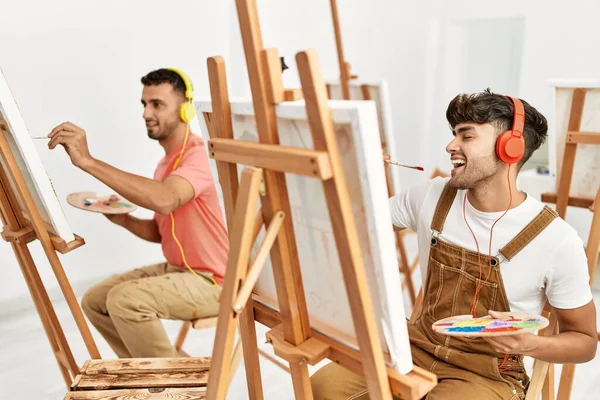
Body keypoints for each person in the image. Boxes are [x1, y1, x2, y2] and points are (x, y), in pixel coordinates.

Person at [310, 89, 597, 399]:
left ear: (511, 147)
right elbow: (354, 231)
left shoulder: (556, 239)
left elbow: (584, 340)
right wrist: (360, 178)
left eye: (466, 136)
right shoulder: (430, 196)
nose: (451, 146)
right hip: (414, 348)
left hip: (487, 373)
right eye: (453, 135)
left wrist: (533, 345)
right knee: (323, 387)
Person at [47, 68, 229, 358]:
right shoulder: (165, 164)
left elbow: (166, 200)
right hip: (180, 269)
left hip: (216, 281)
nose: (146, 113)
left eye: (157, 104)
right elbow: (162, 232)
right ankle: (156, 370)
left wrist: (88, 162)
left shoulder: (199, 155)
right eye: (144, 104)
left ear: (186, 110)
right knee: (96, 300)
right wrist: (126, 220)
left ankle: (170, 384)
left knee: (125, 300)